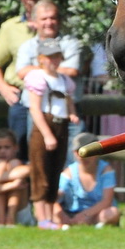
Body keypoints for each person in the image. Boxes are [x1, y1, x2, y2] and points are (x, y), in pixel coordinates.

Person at [0, 0, 43, 156]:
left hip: (51, 96)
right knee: (19, 148)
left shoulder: (54, 23)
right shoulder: (11, 27)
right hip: (21, 96)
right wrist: (2, 87)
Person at [24, 38, 77, 227]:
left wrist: (72, 114)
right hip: (44, 125)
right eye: (49, 57)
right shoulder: (38, 78)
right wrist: (47, 134)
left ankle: (50, 215)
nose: (53, 61)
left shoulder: (64, 79)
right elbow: (35, 109)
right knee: (41, 171)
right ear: (41, 59)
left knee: (55, 170)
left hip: (61, 124)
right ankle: (42, 217)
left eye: (56, 57)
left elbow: (68, 100)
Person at [56, 133, 121, 226]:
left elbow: (107, 201)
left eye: (89, 152)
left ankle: (94, 224)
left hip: (97, 213)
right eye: (79, 152)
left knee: (113, 213)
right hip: (72, 213)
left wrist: (85, 215)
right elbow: (58, 197)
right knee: (54, 210)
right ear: (74, 153)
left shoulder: (106, 170)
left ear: (97, 153)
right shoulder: (68, 173)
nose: (84, 157)